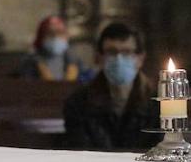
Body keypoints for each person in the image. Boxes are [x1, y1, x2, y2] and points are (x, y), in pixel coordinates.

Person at [63, 22, 158, 150]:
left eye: (126, 52)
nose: (119, 59)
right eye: (111, 52)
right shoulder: (78, 103)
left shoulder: (158, 103)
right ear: (99, 57)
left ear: (140, 58)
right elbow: (81, 150)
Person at [16, 15, 86, 82]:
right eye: (50, 34)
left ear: (66, 36)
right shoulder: (31, 62)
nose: (56, 38)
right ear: (42, 37)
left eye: (60, 33)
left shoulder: (75, 61)